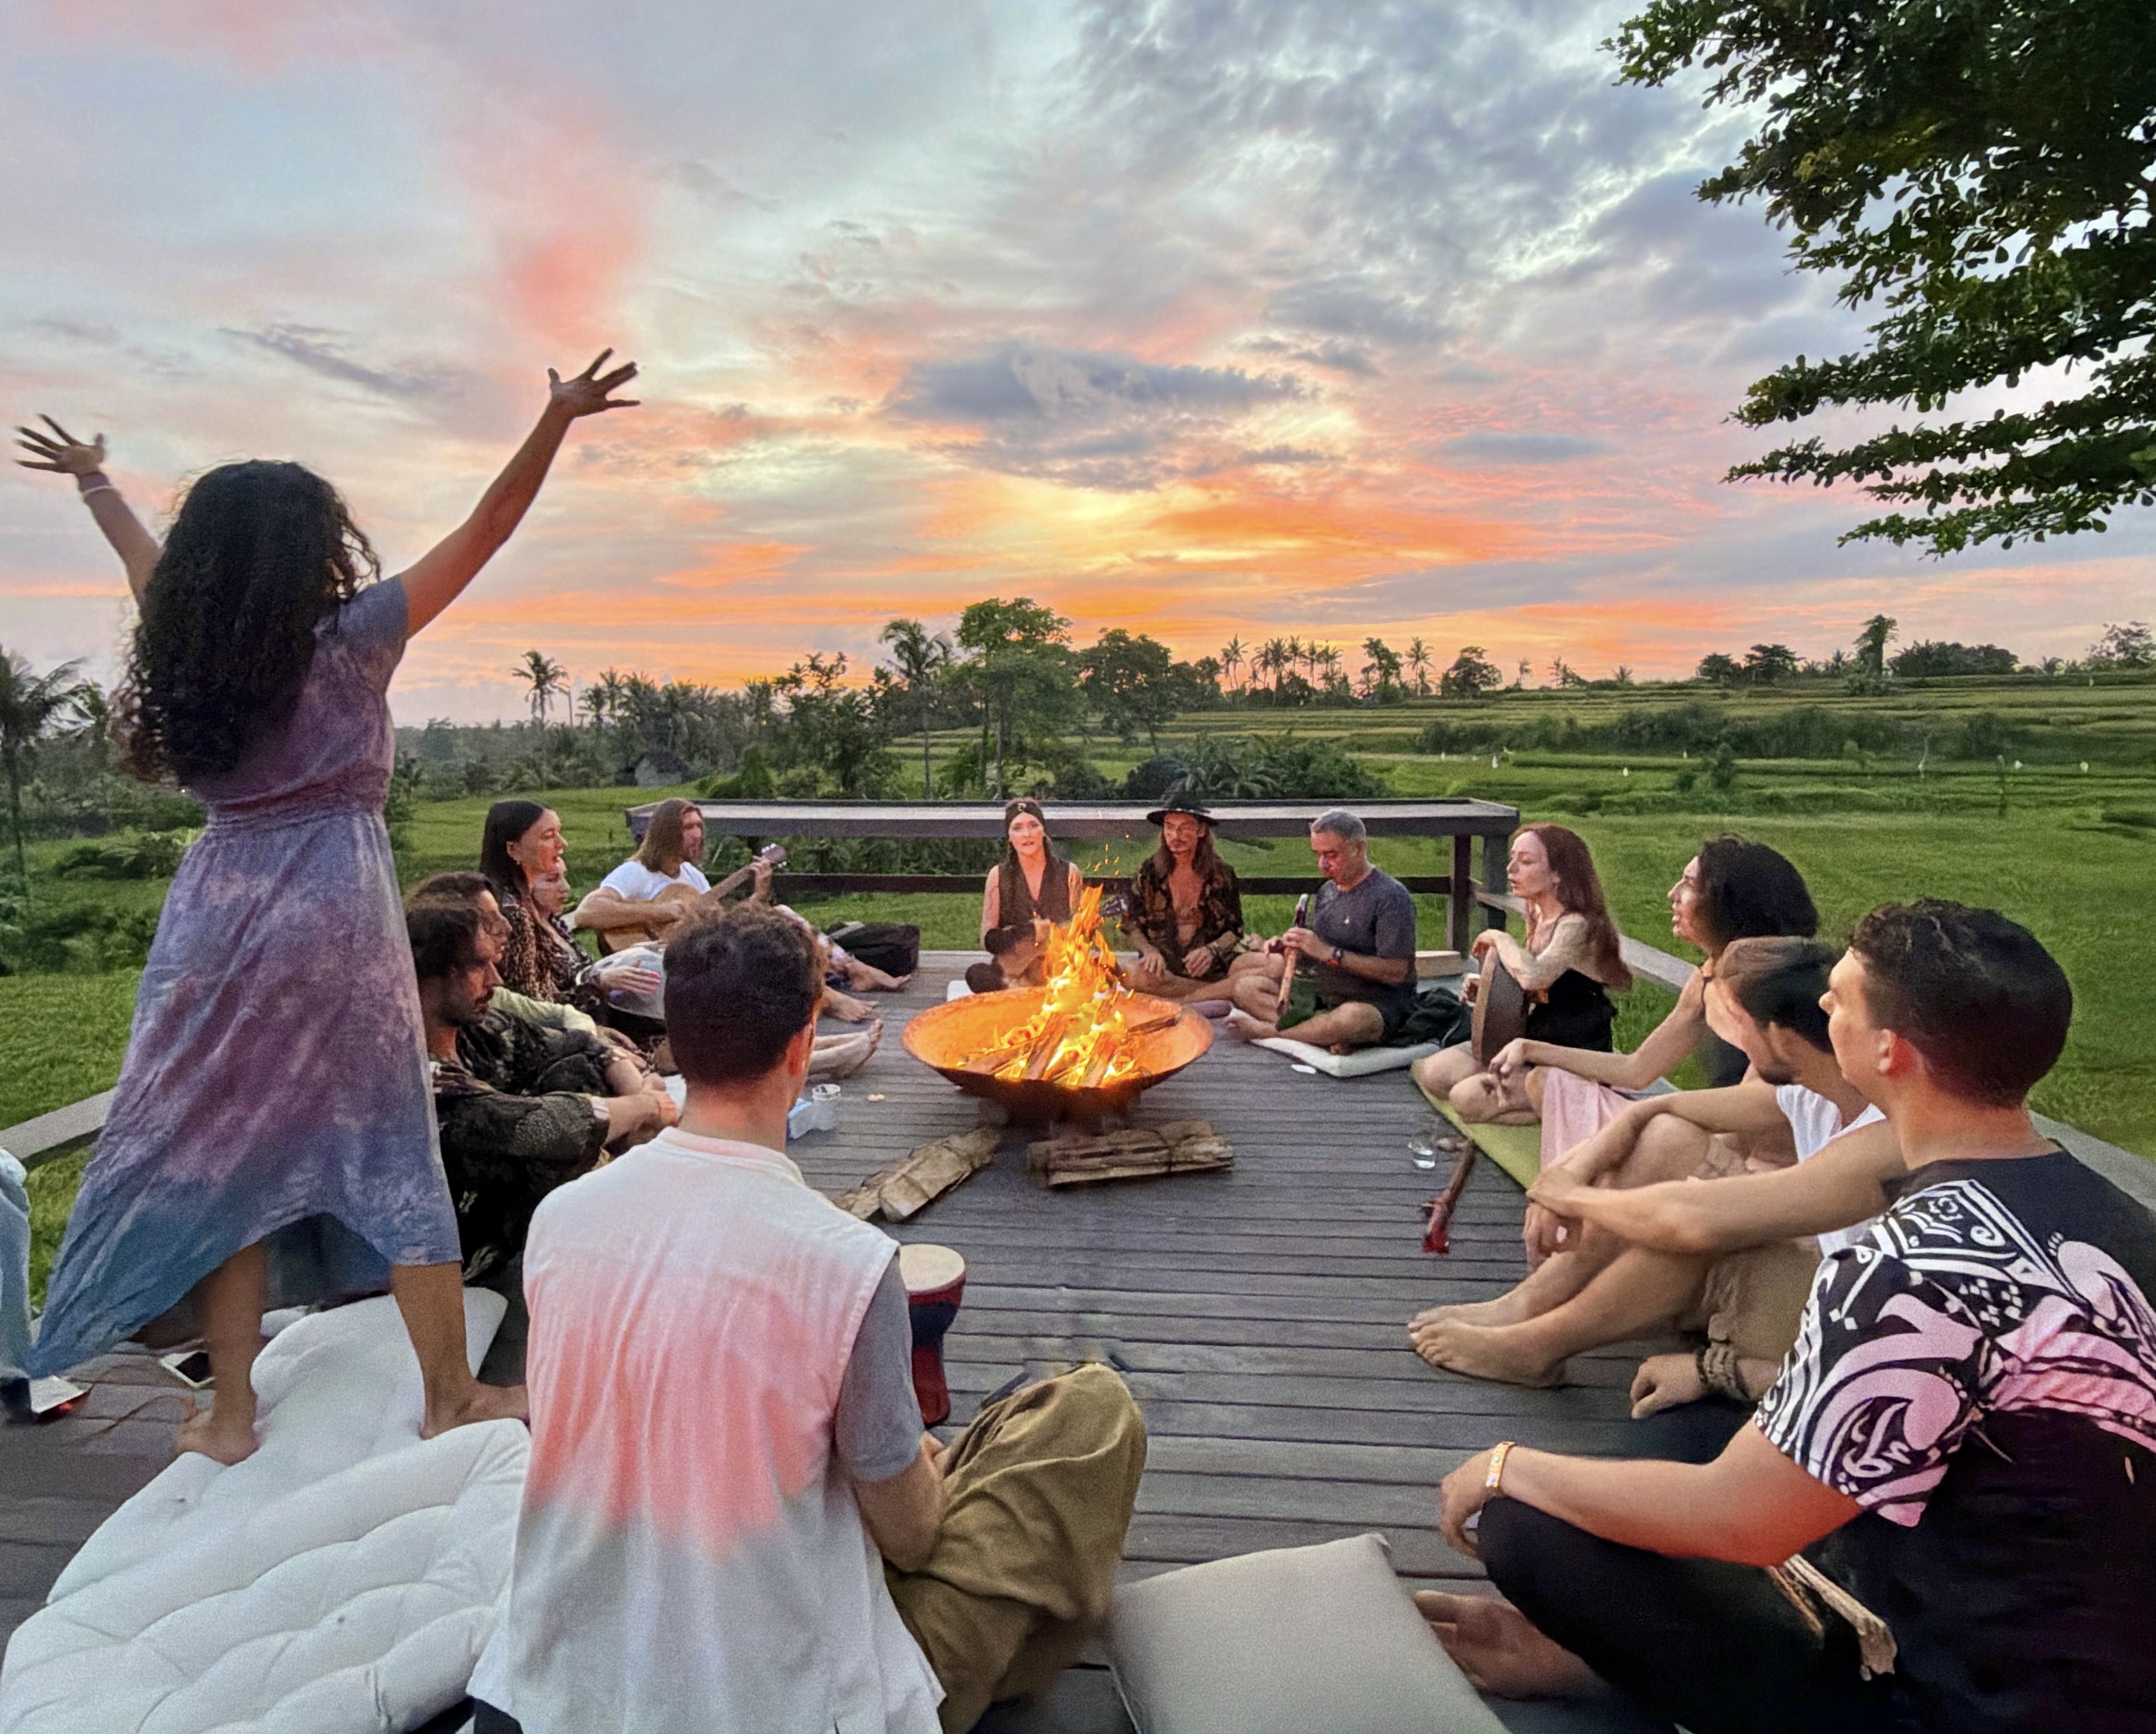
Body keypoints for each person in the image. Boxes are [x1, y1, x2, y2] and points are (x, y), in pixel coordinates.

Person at [15, 349, 637, 1462]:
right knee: (389, 1144)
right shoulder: (352, 644)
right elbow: (488, 528)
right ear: (318, 550)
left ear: (207, 565)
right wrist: (554, 417)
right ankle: (449, 1394)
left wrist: (96, 481)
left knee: (230, 1162)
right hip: (332, 917)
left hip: (214, 921)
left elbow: (142, 563)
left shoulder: (193, 658)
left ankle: (231, 1413)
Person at [1417, 901, 2156, 1734]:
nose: (1822, 1003)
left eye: (1841, 996)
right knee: (1694, 1435)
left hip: (1970, 1700)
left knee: (1528, 1521)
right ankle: (1608, 1662)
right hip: (2086, 1650)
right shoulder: (2115, 1217)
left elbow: (1738, 1518)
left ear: (1890, 1050)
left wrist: (1503, 1465)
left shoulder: (1909, 1264)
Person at [469, 905, 1148, 1734]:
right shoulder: (844, 1263)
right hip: (774, 1699)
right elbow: (911, 1537)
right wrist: (914, 1468)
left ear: (677, 1041)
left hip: (548, 1682)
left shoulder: (563, 1219)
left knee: (938, 1446)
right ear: (801, 1046)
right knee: (1092, 1412)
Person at [1410, 938, 1892, 1395]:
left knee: (1698, 1227)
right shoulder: (1812, 1093)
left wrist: (1572, 1197)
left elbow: (1695, 1217)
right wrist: (1572, 1171)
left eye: (1837, 1002)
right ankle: (1531, 1308)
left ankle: (1536, 1343)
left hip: (1843, 1338)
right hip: (1813, 1283)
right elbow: (1660, 1108)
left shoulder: (1883, 1135)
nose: (1825, 1007)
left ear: (1782, 1041)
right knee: (1666, 1134)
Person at [408, 893, 675, 1284]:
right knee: (557, 1147)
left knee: (576, 1070)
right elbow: (553, 1127)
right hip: (456, 1257)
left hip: (523, 1226)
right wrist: (645, 1105)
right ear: (430, 976)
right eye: (479, 966)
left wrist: (640, 1096)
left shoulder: (477, 1032)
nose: (496, 980)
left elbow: (581, 1044)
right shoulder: (413, 1073)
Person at [1514, 835, 1819, 1154]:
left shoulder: (1774, 988)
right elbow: (1636, 1070)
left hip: (1753, 1158)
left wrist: (1650, 1122)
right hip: (1698, 1133)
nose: (1673, 893)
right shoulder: (1705, 979)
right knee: (1547, 1083)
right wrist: (1530, 1049)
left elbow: (1745, 1122)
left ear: (1728, 903)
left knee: (1653, 1136)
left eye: (1689, 884)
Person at [1413, 823, 1630, 1122]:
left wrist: (1500, 938)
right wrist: (1485, 988)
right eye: (1512, 859)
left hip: (1571, 1054)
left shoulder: (1576, 925)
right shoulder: (1538, 914)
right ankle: (1537, 1104)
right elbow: (1539, 989)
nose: (1511, 869)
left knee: (1466, 1097)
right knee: (1436, 1073)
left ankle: (1575, 1109)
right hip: (1531, 1041)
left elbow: (1534, 977)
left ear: (1558, 874)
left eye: (1525, 862)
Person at [1224, 810, 1417, 1051]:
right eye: (1318, 855)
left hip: (1373, 1003)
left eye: (1331, 855)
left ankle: (1269, 1031)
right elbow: (1315, 952)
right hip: (1322, 997)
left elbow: (1398, 972)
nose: (1322, 865)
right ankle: (1321, 1033)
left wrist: (1330, 954)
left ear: (1359, 848)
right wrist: (1290, 948)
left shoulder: (1391, 897)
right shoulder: (1328, 891)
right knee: (1246, 988)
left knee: (1352, 1019)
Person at [1119, 796, 1245, 1000]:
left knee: (1257, 966)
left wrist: (1211, 951)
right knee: (1130, 974)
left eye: (1185, 827)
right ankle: (1220, 992)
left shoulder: (1221, 875)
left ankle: (1188, 994)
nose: (1175, 836)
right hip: (1163, 967)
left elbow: (1235, 930)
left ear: (1201, 830)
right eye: (1169, 827)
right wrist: (1149, 951)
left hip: (1208, 967)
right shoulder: (1148, 873)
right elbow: (1130, 925)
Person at [971, 797, 1084, 994]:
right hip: (1016, 968)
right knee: (977, 975)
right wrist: (1028, 932)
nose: (1027, 834)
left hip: (1057, 965)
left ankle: (1030, 991)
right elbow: (988, 939)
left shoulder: (1069, 873)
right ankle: (1020, 988)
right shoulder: (998, 876)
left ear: (1043, 831)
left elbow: (1082, 930)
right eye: (1018, 828)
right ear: (1009, 837)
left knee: (1101, 971)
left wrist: (1063, 935)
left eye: (1033, 825)